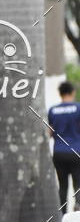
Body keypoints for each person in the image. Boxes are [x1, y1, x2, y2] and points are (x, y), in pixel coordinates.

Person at [47, 81, 80, 212]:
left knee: (63, 185)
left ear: (60, 94)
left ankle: (62, 213)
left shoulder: (53, 110)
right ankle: (78, 208)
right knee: (78, 182)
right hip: (76, 151)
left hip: (59, 152)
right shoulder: (78, 108)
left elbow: (49, 132)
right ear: (72, 92)